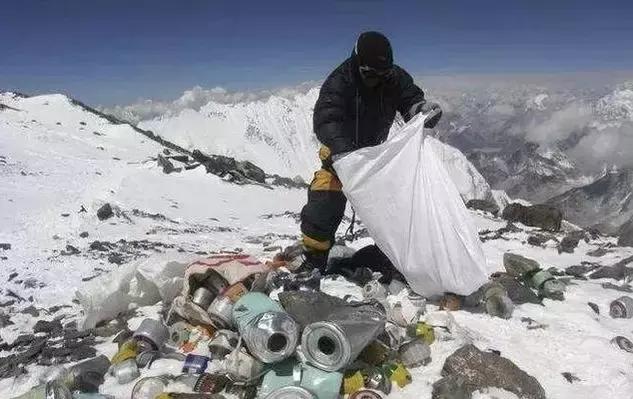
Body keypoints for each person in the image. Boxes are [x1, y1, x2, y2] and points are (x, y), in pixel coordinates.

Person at [299, 31, 442, 271]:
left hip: (377, 160)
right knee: (323, 205)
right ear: (357, 64)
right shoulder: (339, 83)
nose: (376, 79)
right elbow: (327, 119)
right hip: (339, 160)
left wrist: (420, 110)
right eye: (370, 74)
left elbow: (410, 99)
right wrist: (345, 155)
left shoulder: (394, 78)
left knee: (397, 207)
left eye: (382, 74)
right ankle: (314, 260)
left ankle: (393, 258)